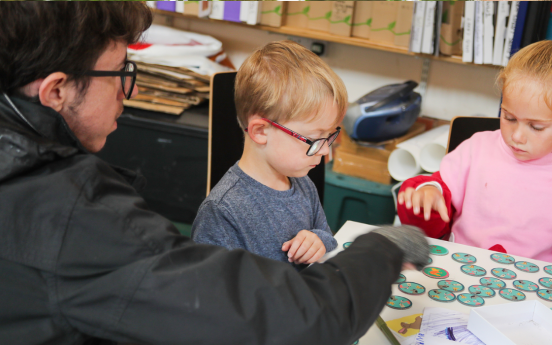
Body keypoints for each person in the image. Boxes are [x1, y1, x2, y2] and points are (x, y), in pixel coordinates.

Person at [0, 3, 431, 344]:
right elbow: (277, 320)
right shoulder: (71, 215)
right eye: (119, 73)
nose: (124, 94)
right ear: (55, 90)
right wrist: (381, 249)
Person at [397, 40, 552, 277]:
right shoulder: (477, 149)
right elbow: (432, 216)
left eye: (536, 127)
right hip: (457, 279)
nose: (517, 136)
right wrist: (427, 195)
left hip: (534, 295)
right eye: (509, 118)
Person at [192, 41, 340, 267]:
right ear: (260, 131)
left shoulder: (303, 184)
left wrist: (318, 239)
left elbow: (325, 234)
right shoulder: (222, 212)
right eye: (314, 139)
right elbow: (213, 292)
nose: (326, 150)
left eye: (328, 136)